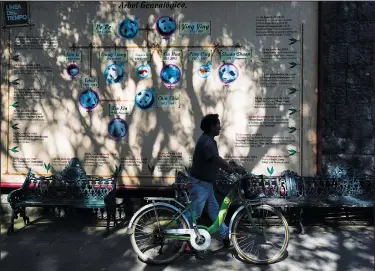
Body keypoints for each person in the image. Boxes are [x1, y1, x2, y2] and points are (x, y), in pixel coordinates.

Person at [185, 113, 245, 250]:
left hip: (205, 184)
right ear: (211, 126)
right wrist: (231, 169)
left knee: (215, 212)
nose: (220, 126)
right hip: (200, 184)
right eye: (217, 124)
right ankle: (181, 241)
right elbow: (215, 160)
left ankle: (225, 236)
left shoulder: (208, 140)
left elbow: (212, 162)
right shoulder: (207, 142)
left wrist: (218, 176)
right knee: (195, 213)